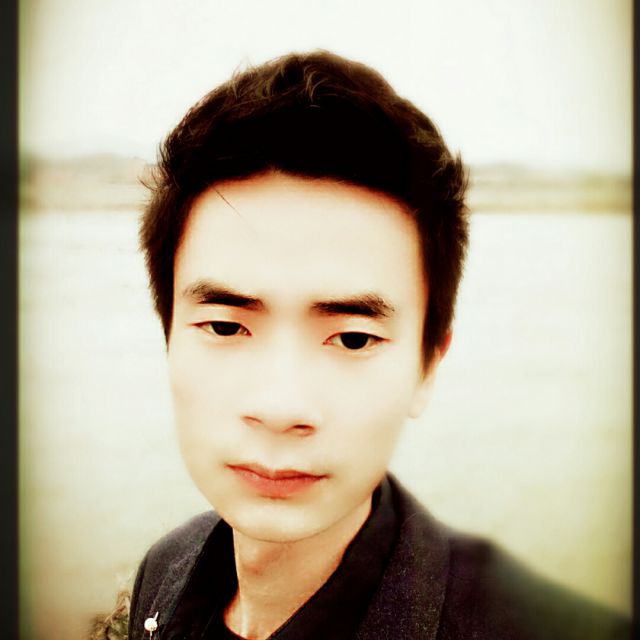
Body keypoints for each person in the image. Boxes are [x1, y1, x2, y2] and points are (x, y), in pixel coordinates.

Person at [123, 51, 629, 640]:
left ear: (428, 365)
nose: (281, 408)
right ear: (168, 335)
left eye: (353, 338)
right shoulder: (166, 569)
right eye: (226, 327)